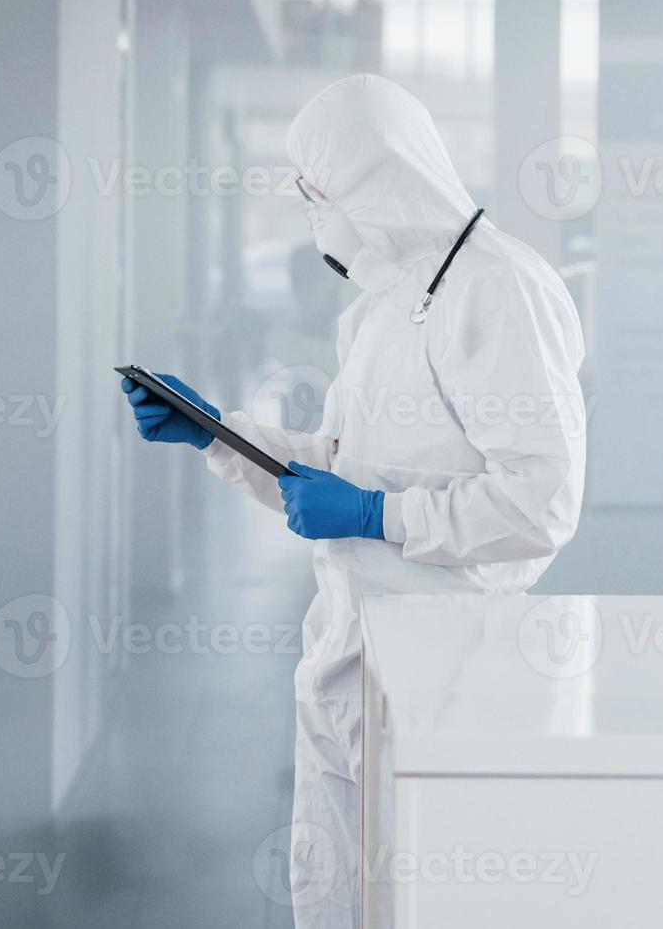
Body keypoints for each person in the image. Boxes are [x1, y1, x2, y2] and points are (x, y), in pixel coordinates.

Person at [120, 74, 586, 928]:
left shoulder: (498, 289)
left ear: (377, 182)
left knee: (420, 903)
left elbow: (539, 500)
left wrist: (377, 516)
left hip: (443, 671)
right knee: (338, 902)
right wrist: (218, 434)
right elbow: (335, 468)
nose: (312, 213)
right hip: (344, 657)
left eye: (316, 192)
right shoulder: (382, 306)